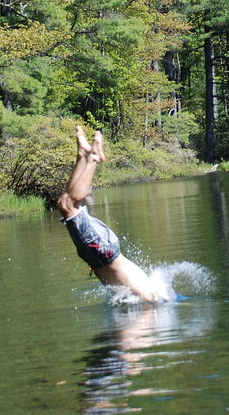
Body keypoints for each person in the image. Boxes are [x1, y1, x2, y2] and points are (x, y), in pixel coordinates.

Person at [58, 126, 159, 303]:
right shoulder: (146, 299)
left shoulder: (145, 294)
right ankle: (94, 158)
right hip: (103, 253)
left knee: (64, 204)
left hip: (102, 254)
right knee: (68, 207)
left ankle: (83, 156)